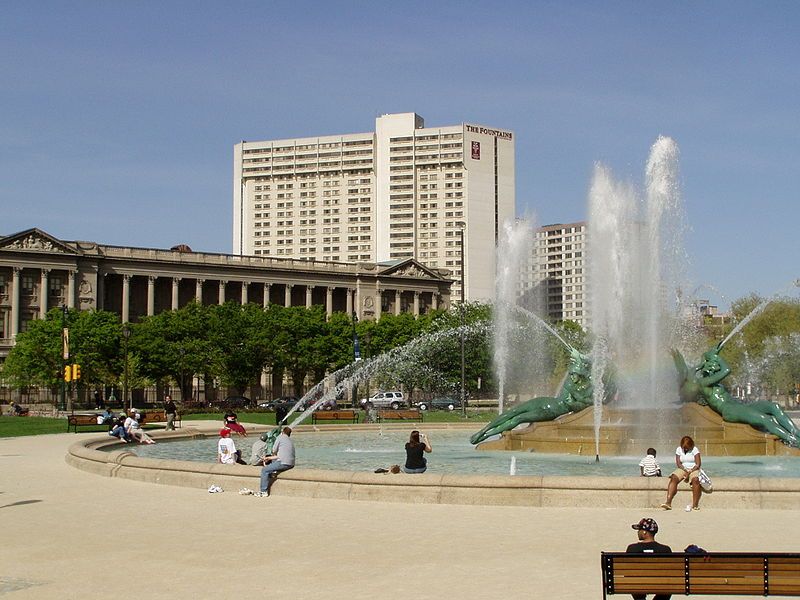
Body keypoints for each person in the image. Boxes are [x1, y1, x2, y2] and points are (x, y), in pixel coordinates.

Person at [470, 348, 616, 445]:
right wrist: (581, 357)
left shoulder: (587, 389)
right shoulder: (571, 384)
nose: (571, 376)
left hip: (551, 412)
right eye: (570, 374)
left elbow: (580, 403)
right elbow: (587, 365)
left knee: (518, 418)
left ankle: (488, 435)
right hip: (546, 401)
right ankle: (482, 431)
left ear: (581, 375)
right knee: (512, 411)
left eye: (574, 375)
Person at [672, 346, 800, 447]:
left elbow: (706, 361)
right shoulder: (703, 383)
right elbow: (727, 370)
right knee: (767, 419)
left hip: (739, 406)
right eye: (712, 364)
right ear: (706, 369)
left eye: (715, 364)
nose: (715, 366)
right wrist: (715, 358)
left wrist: (711, 355)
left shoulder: (714, 382)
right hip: (729, 410)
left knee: (774, 406)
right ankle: (793, 441)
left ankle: (797, 434)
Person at [626, 517, 672, 600]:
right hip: (660, 584)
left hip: (637, 585)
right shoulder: (665, 550)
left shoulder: (632, 549)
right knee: (668, 584)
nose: (638, 532)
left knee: (633, 581)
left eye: (639, 529)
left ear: (644, 532)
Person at [661, 436, 701, 510]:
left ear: (691, 445)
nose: (685, 449)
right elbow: (678, 463)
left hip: (693, 468)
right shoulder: (679, 449)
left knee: (695, 480)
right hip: (682, 468)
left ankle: (695, 504)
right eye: (684, 447)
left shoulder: (695, 449)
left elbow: (698, 464)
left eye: (687, 447)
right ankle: (668, 502)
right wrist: (685, 470)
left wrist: (690, 471)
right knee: (673, 478)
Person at [256, 426, 295, 497]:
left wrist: (271, 455)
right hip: (291, 464)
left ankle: (263, 491)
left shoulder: (280, 438)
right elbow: (281, 456)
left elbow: (274, 450)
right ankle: (273, 472)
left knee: (264, 470)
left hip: (283, 463)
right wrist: (269, 458)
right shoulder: (289, 440)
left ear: (282, 432)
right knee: (272, 465)